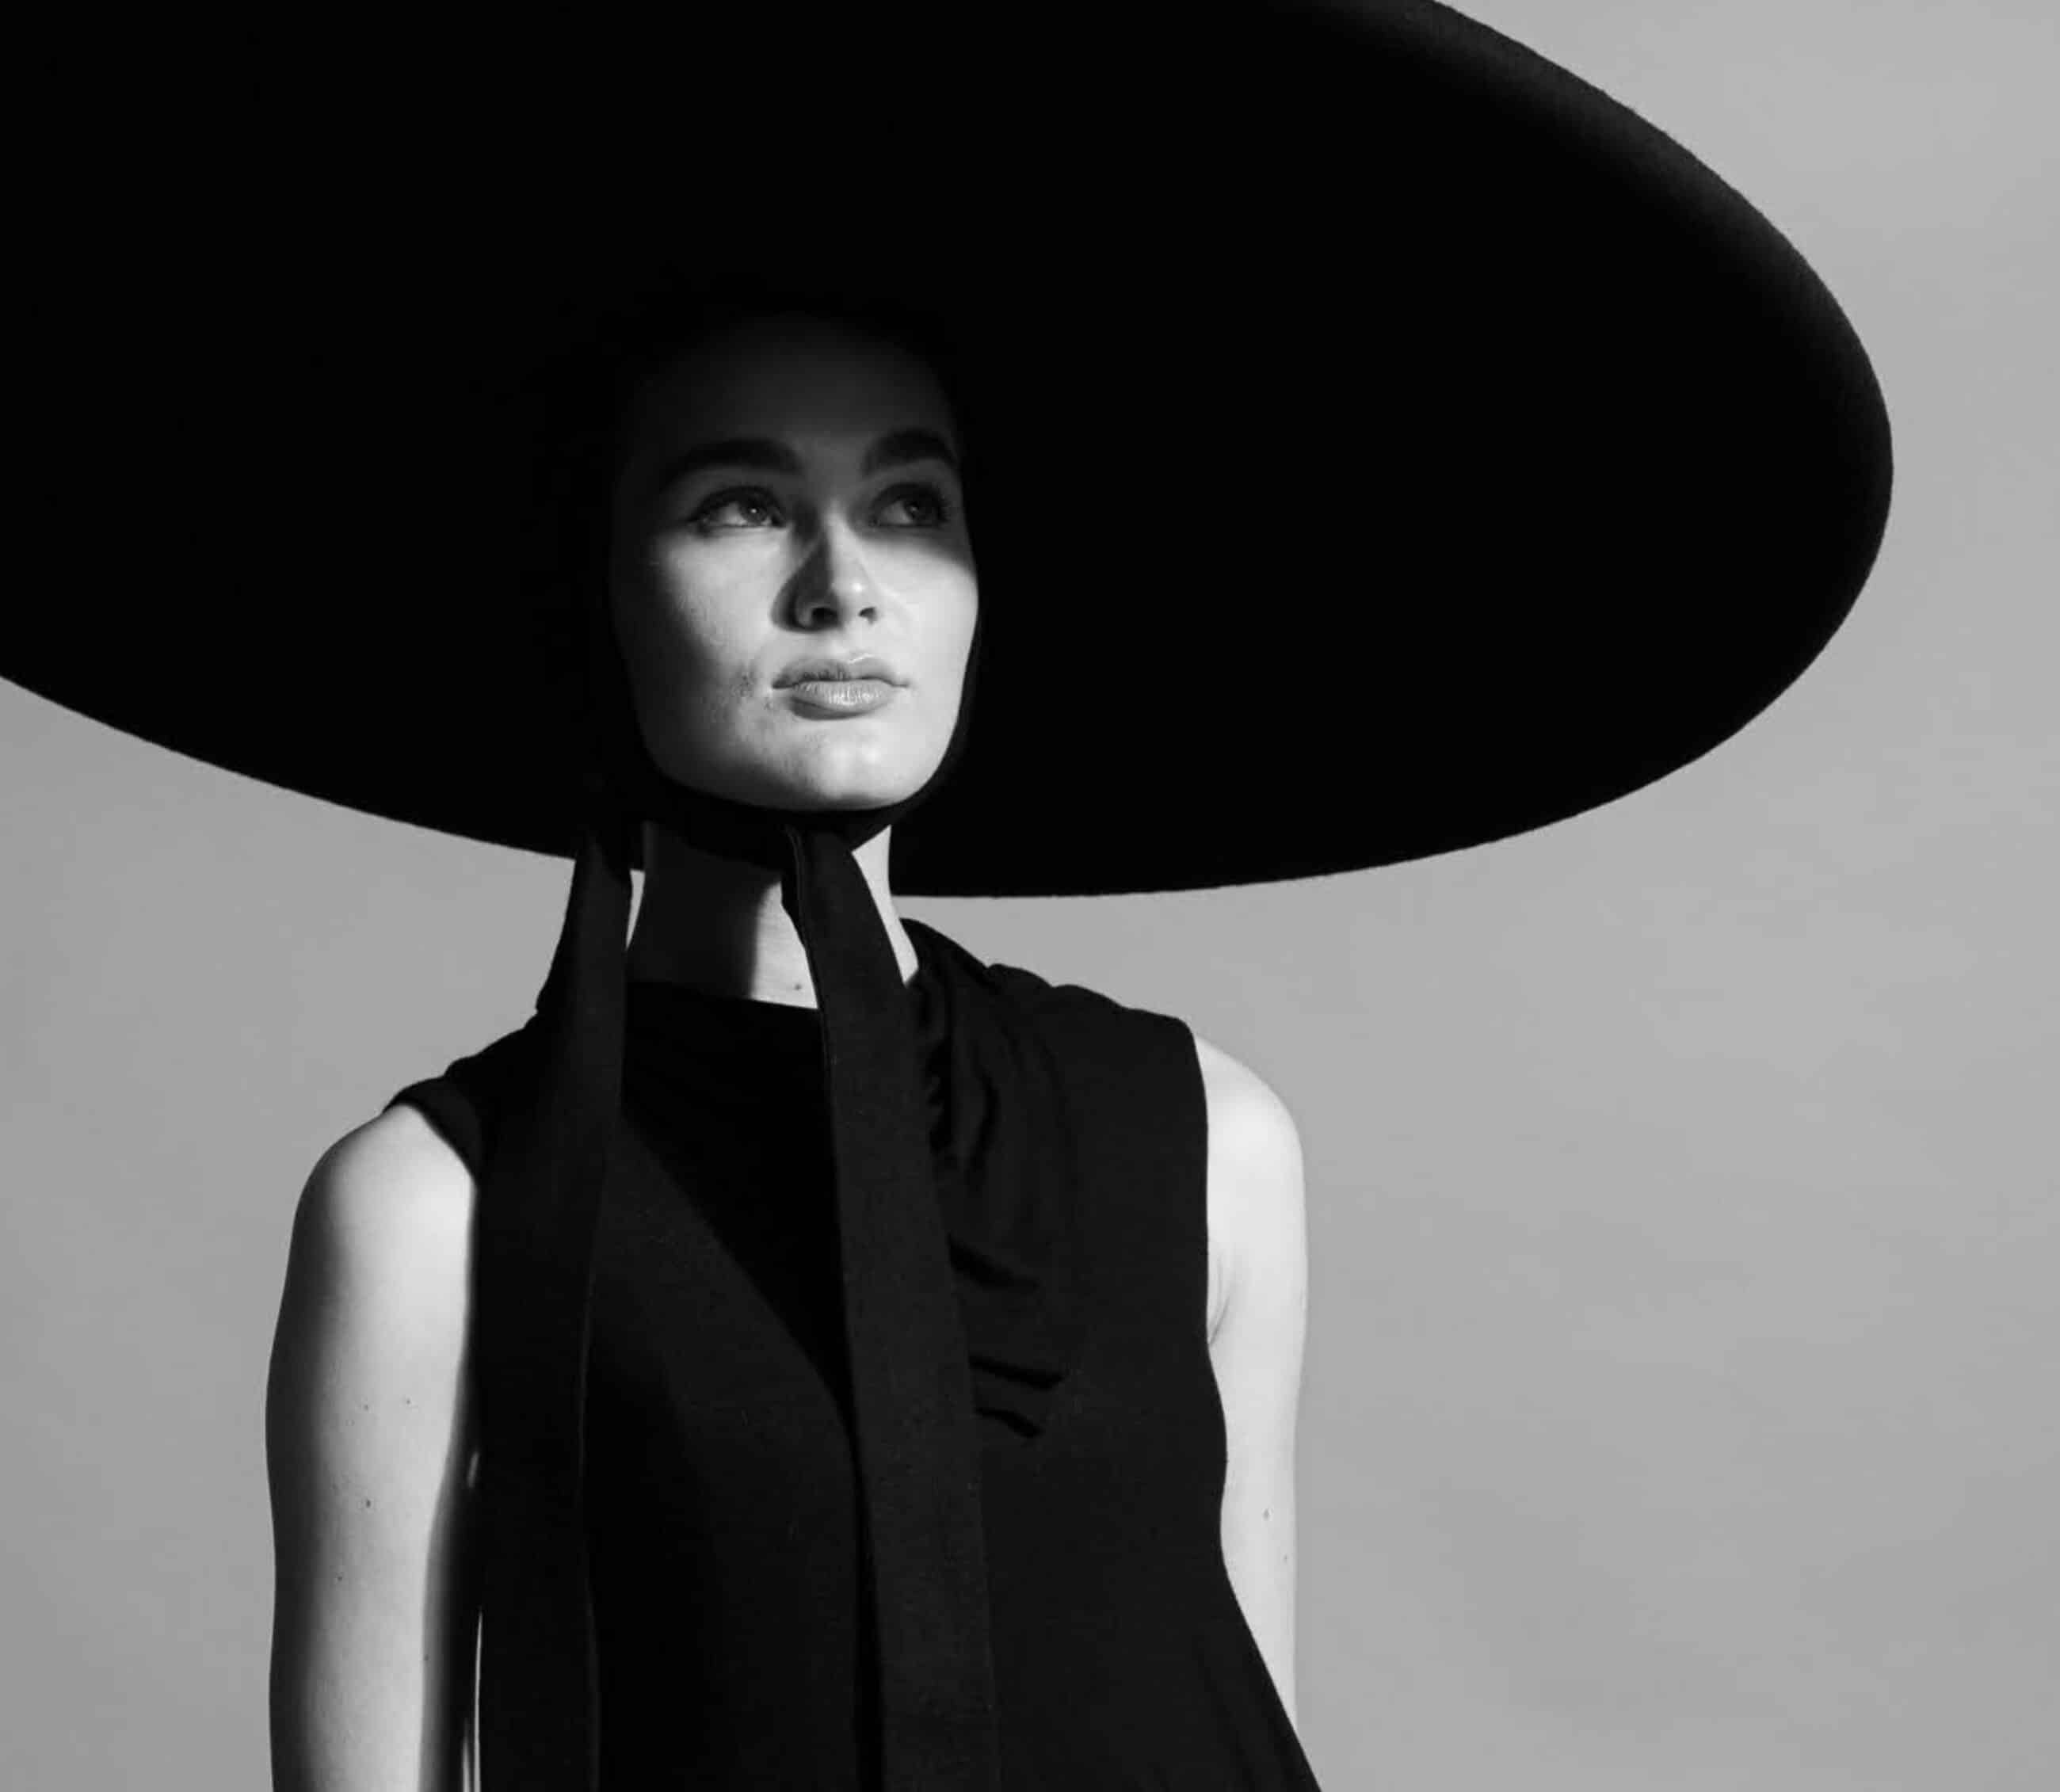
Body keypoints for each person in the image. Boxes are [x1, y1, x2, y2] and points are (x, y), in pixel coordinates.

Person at [265, 301, 1320, 1787]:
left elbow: (1250, 1710)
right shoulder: (431, 1210)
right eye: (742, 507)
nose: (845, 587)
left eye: (910, 506)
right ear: (599, 589)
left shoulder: (1209, 1137)